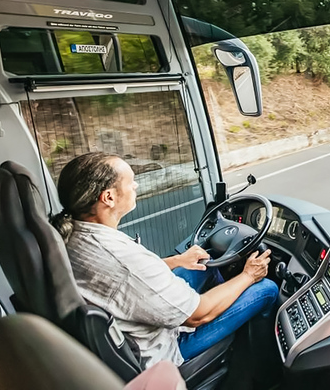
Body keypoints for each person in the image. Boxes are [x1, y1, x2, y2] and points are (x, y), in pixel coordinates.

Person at [50, 152, 279, 370]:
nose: (136, 186)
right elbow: (198, 316)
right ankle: (262, 371)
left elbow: (129, 278)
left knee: (204, 264)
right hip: (163, 349)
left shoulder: (74, 235)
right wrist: (248, 276)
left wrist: (177, 260)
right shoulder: (125, 261)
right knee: (266, 289)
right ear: (108, 197)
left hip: (133, 321)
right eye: (131, 182)